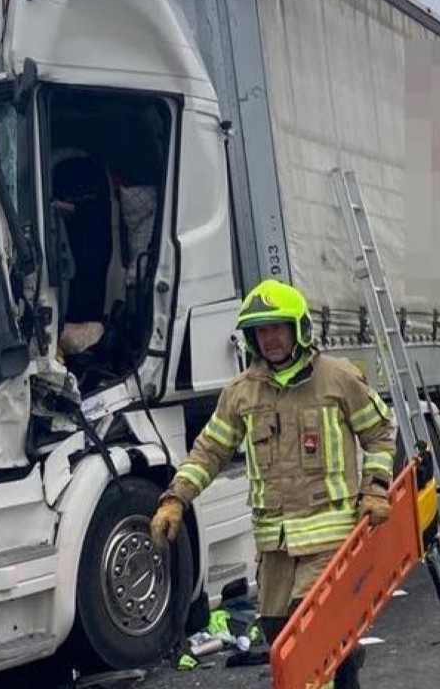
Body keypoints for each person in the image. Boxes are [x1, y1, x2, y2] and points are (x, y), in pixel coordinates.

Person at [149, 279, 395, 689]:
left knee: (310, 634)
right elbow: (210, 451)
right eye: (261, 330)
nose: (270, 338)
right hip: (274, 549)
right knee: (280, 636)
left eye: (278, 327)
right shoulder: (241, 393)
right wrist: (175, 499)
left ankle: (339, 665)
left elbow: (380, 434)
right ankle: (347, 662)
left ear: (299, 328)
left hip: (329, 541)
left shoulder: (338, 378)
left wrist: (375, 488)